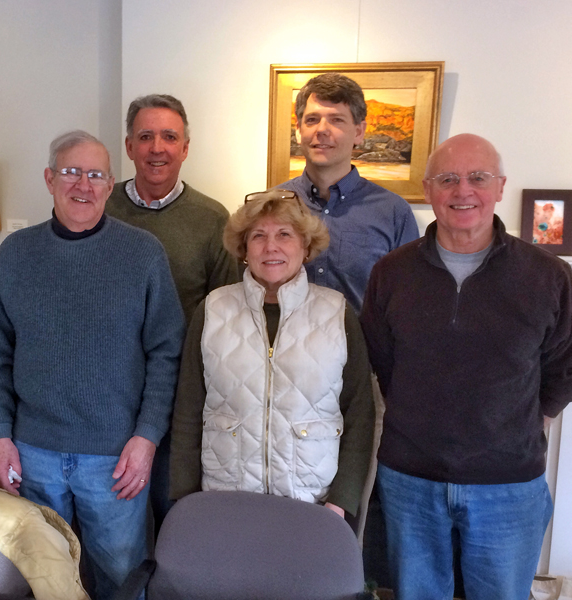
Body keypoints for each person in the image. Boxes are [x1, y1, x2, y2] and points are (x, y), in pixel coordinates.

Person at [359, 134, 572, 600]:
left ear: (500, 186)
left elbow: (565, 367)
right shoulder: (391, 273)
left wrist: (521, 423)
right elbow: (381, 359)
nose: (463, 191)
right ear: (428, 190)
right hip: (410, 479)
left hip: (508, 483)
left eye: (477, 178)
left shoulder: (546, 274)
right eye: (448, 179)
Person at [0, 130, 185, 600]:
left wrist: (147, 437)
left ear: (110, 185)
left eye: (95, 175)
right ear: (50, 178)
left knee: (121, 581)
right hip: (31, 453)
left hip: (115, 459)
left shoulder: (143, 253)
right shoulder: (15, 254)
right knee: (36, 578)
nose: (83, 185)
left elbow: (166, 353)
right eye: (71, 172)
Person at [169, 189, 374, 519]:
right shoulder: (213, 309)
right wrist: (185, 496)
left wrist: (342, 501)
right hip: (225, 499)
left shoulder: (337, 312)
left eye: (284, 235)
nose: (271, 247)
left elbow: (360, 414)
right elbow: (188, 410)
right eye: (258, 236)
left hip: (312, 503)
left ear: (305, 247)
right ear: (244, 249)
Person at [106, 93, 239, 528]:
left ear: (186, 147)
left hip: (180, 397)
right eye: (145, 137)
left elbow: (227, 317)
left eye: (169, 137)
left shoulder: (213, 219)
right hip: (107, 394)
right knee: (111, 518)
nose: (157, 148)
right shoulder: (100, 208)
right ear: (129, 147)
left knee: (173, 513)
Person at [277, 72, 419, 313]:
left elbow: (408, 301)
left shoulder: (394, 212)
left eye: (336, 120)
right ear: (298, 130)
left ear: (359, 132)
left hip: (359, 350)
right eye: (312, 119)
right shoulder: (270, 205)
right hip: (278, 349)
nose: (322, 130)